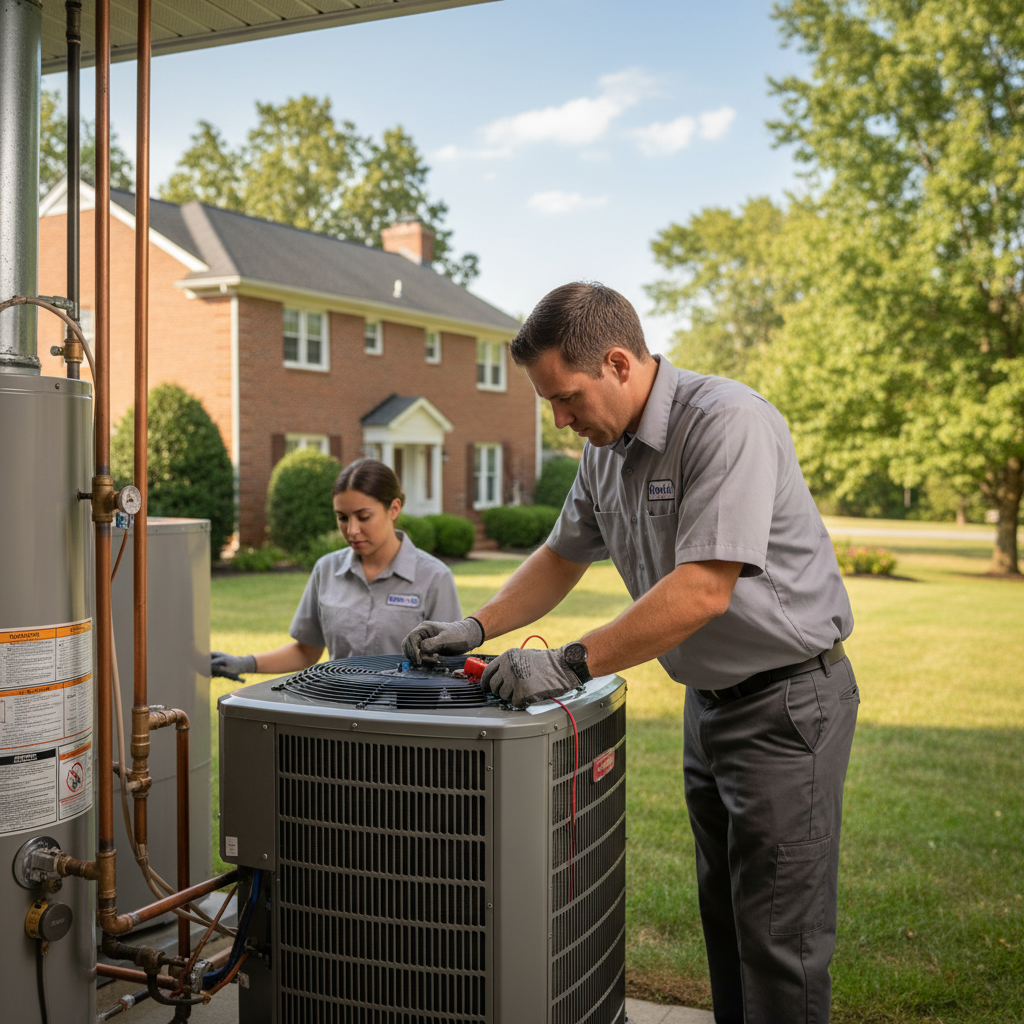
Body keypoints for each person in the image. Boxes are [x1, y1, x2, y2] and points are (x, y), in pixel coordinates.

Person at [403, 283, 858, 1024]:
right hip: (709, 706)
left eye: (567, 398)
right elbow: (559, 556)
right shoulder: (604, 453)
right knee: (726, 915)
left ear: (618, 362)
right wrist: (475, 627)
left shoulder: (725, 422)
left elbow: (703, 590)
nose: (561, 420)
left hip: (787, 706)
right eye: (550, 404)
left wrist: (571, 662)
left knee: (780, 938)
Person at [211, 458, 461, 679]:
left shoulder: (434, 578)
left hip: (405, 720)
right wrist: (244, 663)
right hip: (336, 716)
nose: (352, 530)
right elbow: (306, 651)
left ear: (394, 509)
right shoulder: (326, 570)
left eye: (363, 517)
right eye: (342, 517)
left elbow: (449, 667)